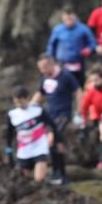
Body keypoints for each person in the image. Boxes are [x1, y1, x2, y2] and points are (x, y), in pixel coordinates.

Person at [33, 54, 80, 183]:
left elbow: (77, 91)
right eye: (40, 68)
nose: (42, 71)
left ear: (52, 64)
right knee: (56, 144)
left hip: (63, 114)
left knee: (52, 140)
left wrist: (79, 112)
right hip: (49, 115)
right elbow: (40, 93)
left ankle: (59, 173)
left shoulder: (65, 76)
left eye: (44, 67)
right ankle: (58, 173)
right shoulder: (45, 78)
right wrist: (30, 108)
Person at [4, 86, 53, 183]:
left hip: (40, 147)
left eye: (21, 101)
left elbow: (51, 125)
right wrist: (9, 151)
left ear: (28, 98)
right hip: (24, 150)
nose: (19, 104)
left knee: (39, 179)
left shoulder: (37, 110)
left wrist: (52, 136)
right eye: (17, 102)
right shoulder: (12, 115)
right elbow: (9, 134)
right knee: (23, 180)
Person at [45, 7, 96, 89]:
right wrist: (49, 59)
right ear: (63, 18)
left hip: (79, 62)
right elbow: (51, 46)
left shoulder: (83, 29)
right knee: (63, 85)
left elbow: (92, 43)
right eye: (67, 18)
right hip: (62, 63)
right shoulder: (58, 30)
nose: (69, 20)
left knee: (79, 86)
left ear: (75, 17)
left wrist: (88, 49)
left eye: (71, 17)